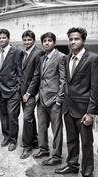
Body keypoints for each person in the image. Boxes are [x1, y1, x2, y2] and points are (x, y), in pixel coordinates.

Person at [55, 27, 98, 177]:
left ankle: (87, 175)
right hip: (68, 108)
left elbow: (96, 89)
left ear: (83, 40)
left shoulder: (94, 58)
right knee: (71, 140)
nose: (72, 42)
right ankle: (72, 165)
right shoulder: (67, 58)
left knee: (86, 144)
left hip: (84, 110)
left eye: (76, 39)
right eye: (70, 39)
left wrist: (91, 112)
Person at [24, 32, 66, 166]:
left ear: (54, 42)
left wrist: (59, 99)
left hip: (54, 100)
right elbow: (37, 77)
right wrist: (29, 93)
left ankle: (57, 156)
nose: (47, 43)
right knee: (41, 127)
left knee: (56, 129)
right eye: (44, 41)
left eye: (49, 41)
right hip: (41, 99)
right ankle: (43, 149)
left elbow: (63, 80)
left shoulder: (61, 57)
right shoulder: (42, 57)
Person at [0, 28, 23, 151]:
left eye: (4, 37)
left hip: (13, 90)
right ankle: (6, 137)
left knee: (12, 116)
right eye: (0, 37)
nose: (1, 39)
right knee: (3, 115)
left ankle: (13, 140)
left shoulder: (16, 52)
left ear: (8, 39)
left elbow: (20, 72)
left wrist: (18, 89)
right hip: (0, 90)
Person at [20, 30, 43, 159]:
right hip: (22, 91)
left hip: (31, 92)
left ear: (34, 40)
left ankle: (27, 147)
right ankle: (34, 140)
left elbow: (36, 75)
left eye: (29, 40)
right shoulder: (24, 53)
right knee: (29, 117)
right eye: (25, 40)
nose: (26, 42)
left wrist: (28, 93)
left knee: (27, 118)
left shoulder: (38, 52)